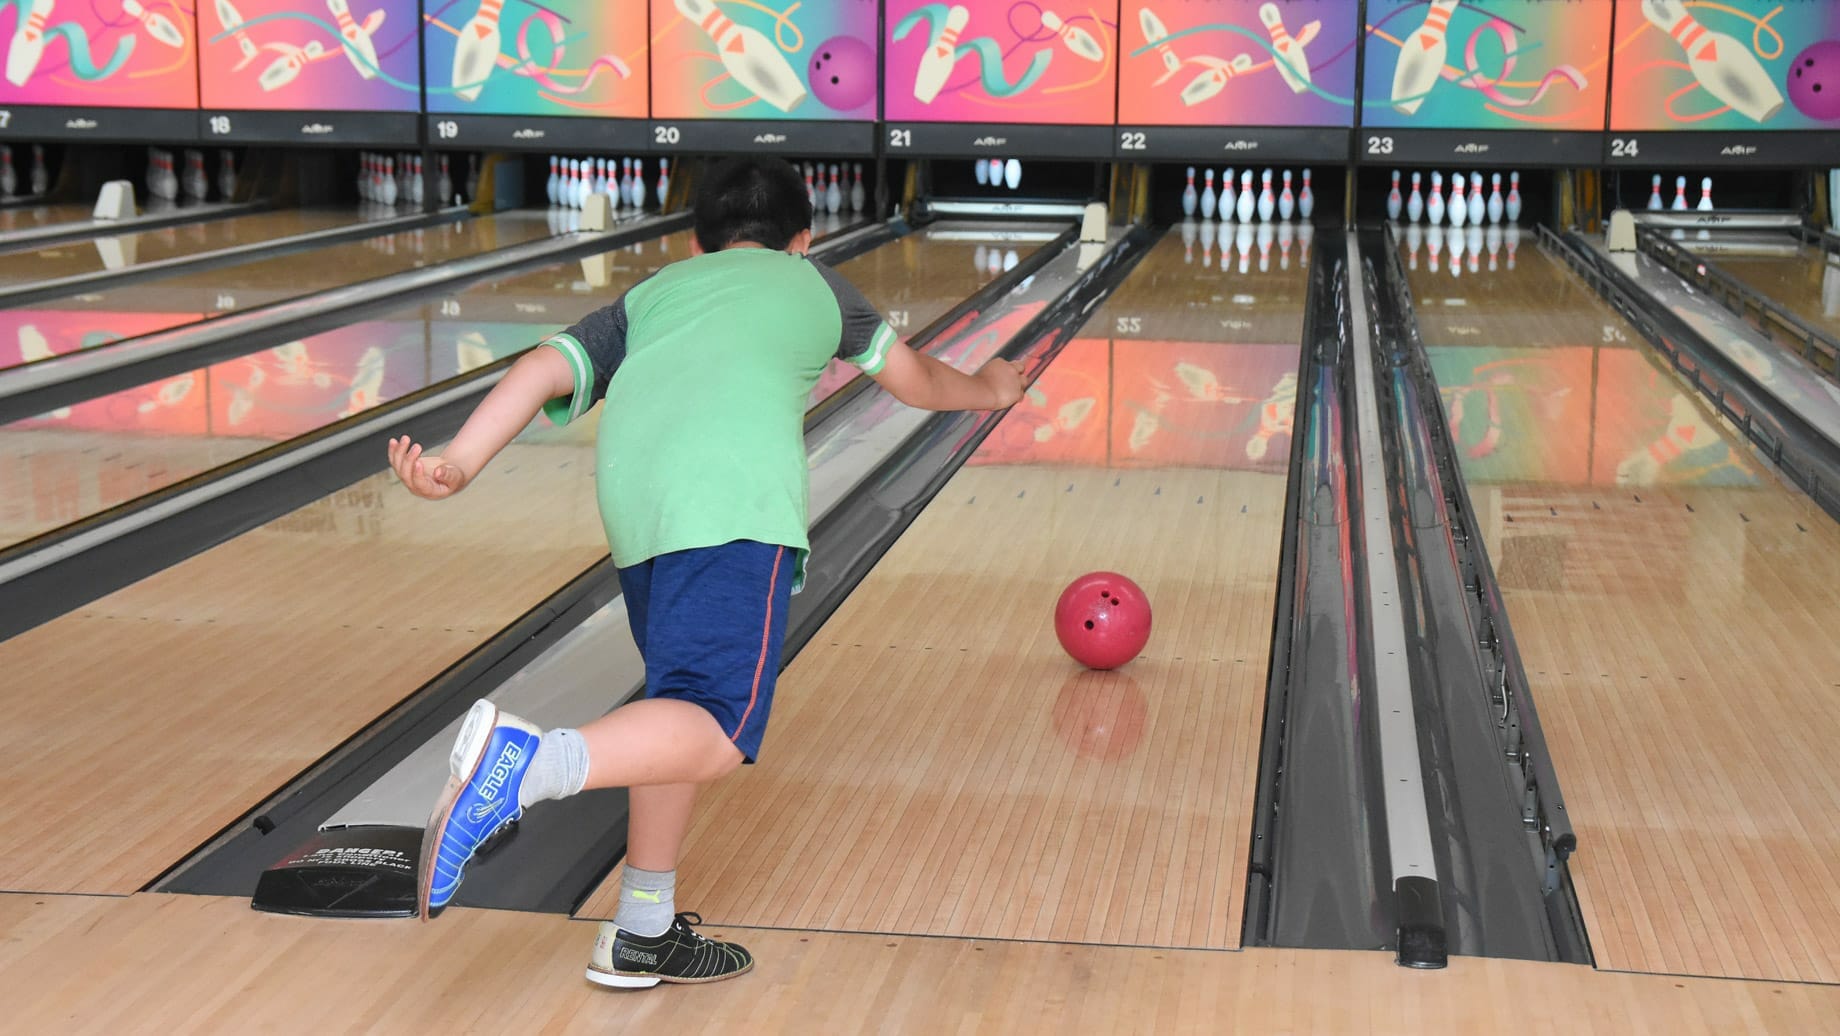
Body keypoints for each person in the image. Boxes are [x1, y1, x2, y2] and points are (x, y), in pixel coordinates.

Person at [386, 156, 1025, 989]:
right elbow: (919, 382)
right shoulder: (818, 287)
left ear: (696, 242)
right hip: (729, 503)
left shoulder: (654, 292)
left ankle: (642, 930)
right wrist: (993, 387)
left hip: (637, 505)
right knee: (718, 732)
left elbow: (547, 366)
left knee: (677, 707)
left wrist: (460, 462)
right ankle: (524, 765)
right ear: (805, 238)